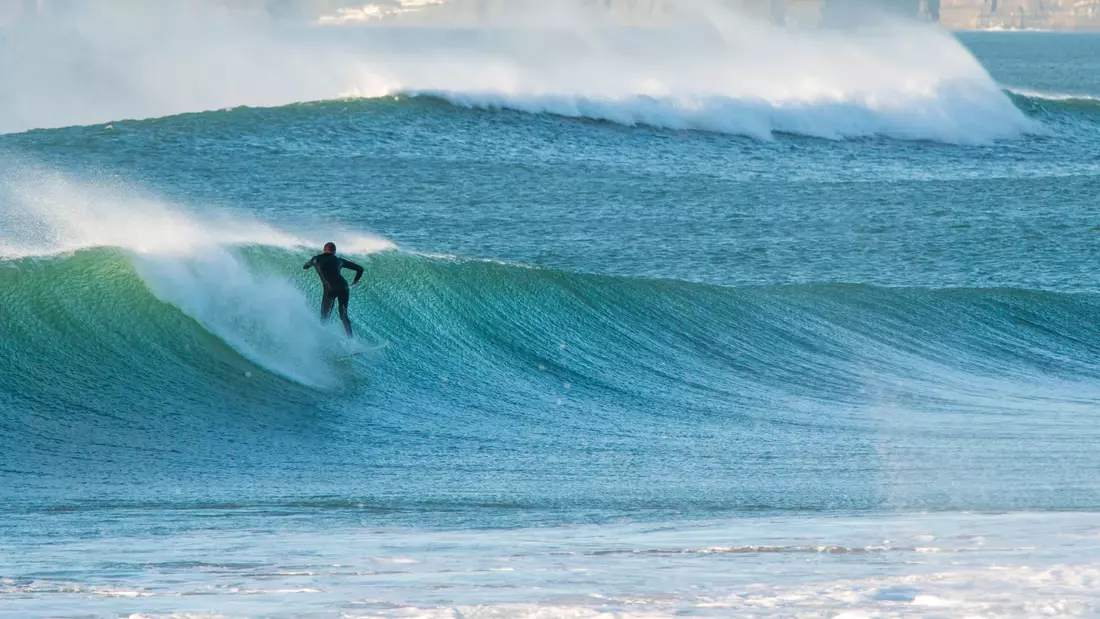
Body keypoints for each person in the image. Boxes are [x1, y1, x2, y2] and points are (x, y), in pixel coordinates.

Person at [303, 242, 363, 337]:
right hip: (343, 287)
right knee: (343, 315)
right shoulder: (339, 260)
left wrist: (308, 265)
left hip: (330, 289)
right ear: (334, 252)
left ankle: (324, 337)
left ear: (323, 250)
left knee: (324, 316)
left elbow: (305, 266)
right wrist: (355, 280)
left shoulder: (315, 259)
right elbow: (360, 269)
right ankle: (351, 341)